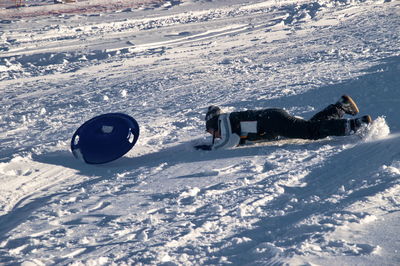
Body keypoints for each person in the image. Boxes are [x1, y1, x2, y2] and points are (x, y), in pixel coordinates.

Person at [196, 95, 372, 150]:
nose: (214, 136)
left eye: (211, 133)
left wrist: (210, 149)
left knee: (309, 132)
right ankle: (340, 107)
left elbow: (230, 142)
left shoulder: (224, 120)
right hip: (272, 119)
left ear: (212, 124)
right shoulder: (229, 123)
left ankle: (356, 125)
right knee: (310, 128)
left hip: (271, 120)